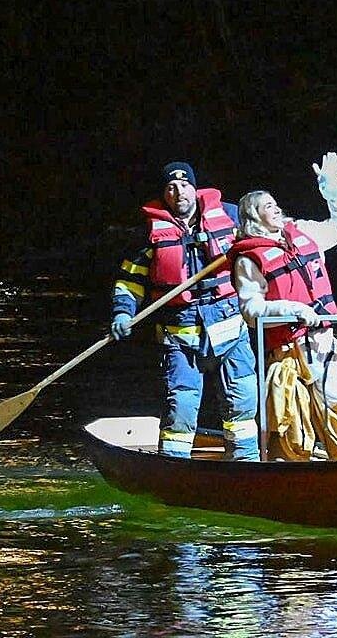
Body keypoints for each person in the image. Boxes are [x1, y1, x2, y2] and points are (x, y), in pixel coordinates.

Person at [110, 161, 259, 460]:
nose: (179, 193)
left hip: (230, 329)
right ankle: (174, 466)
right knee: (181, 406)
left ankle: (246, 462)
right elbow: (129, 281)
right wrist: (123, 312)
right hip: (180, 336)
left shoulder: (230, 217)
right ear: (164, 194)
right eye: (171, 187)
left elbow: (265, 239)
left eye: (184, 185)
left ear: (195, 187)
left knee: (242, 402)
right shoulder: (148, 233)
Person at [230, 152, 337, 461]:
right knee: (291, 422)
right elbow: (251, 310)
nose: (275, 208)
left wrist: (333, 186)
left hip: (323, 343)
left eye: (275, 204)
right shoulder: (249, 259)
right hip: (288, 351)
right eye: (266, 206)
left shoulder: (303, 232)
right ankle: (293, 472)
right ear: (253, 216)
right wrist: (294, 309)